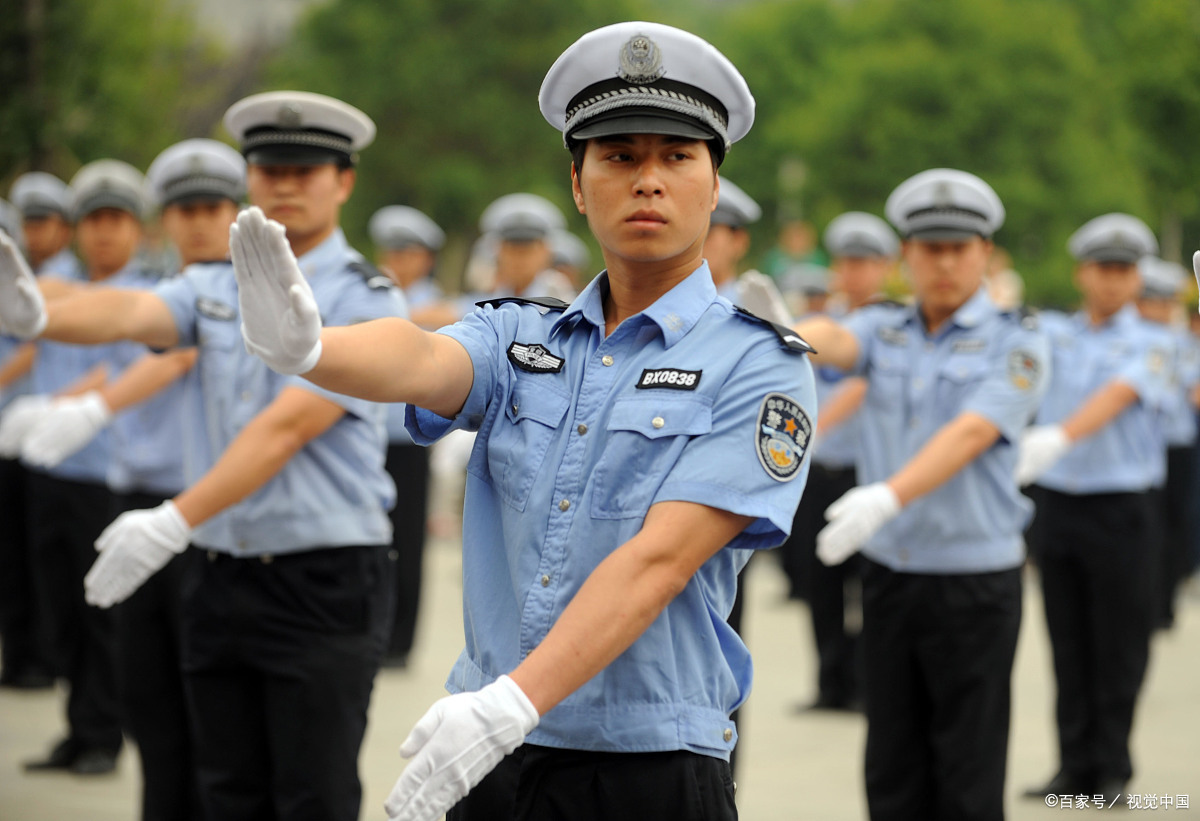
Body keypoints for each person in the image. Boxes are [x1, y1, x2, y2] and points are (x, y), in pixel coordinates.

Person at [223, 22, 816, 821]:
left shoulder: (761, 363)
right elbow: (425, 358)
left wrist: (514, 701)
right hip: (489, 746)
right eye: (619, 156)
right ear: (578, 184)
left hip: (644, 764)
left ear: (713, 186)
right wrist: (314, 348)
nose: (648, 180)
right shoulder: (520, 333)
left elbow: (661, 560)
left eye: (677, 157)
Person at [0, 90, 406, 821]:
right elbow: (129, 311)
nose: (285, 182)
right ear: (249, 178)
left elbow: (285, 428)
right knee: (226, 791)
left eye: (307, 167)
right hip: (219, 574)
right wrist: (42, 313)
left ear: (344, 180)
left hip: (321, 577)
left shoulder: (368, 298)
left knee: (311, 793)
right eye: (270, 166)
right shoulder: (214, 284)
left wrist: (174, 517)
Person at [794, 169, 1049, 821]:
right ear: (904, 254)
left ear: (985, 253)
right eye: (929, 246)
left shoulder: (1019, 339)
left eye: (959, 246)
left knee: (967, 768)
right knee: (892, 765)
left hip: (973, 580)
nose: (943, 261)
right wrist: (785, 329)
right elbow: (837, 343)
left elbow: (972, 431)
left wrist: (888, 493)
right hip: (891, 574)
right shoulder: (884, 327)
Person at [4, 159, 157, 776]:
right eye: (92, 220)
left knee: (103, 615)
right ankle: (77, 725)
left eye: (116, 220)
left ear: (137, 230)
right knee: (59, 606)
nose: (103, 233)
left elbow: (121, 372)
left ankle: (103, 733)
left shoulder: (149, 294)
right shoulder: (55, 281)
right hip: (50, 466)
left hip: (107, 473)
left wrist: (62, 404)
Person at [1018, 214, 1169, 804]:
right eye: (1102, 269)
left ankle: (1112, 767)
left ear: (1138, 278)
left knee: (1119, 644)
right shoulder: (1052, 332)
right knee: (1068, 641)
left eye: (1124, 271)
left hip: (1122, 509)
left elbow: (1119, 394)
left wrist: (1060, 436)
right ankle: (1071, 767)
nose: (1112, 281)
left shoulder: (1157, 340)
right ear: (1082, 273)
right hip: (1058, 505)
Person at [784, 211, 899, 713]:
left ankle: (868, 684)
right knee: (821, 585)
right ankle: (831, 684)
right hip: (818, 472)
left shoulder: (894, 328)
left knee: (869, 587)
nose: (854, 273)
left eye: (865, 263)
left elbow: (860, 385)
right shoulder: (824, 322)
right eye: (847, 262)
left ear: (885, 267)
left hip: (866, 472)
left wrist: (819, 424)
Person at [369, 204, 447, 667]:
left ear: (424, 258)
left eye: (407, 251)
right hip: (371, 441)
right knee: (371, 542)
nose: (396, 259)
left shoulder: (437, 304)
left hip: (411, 440)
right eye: (390, 250)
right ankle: (376, 630)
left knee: (409, 540)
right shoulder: (375, 292)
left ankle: (401, 641)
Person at [1135, 255, 1198, 630]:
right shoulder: (1127, 339)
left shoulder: (1181, 344)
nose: (1156, 308)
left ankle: (1164, 604)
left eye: (1163, 301)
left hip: (1177, 447)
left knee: (1175, 528)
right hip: (1142, 452)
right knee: (1145, 531)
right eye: (1148, 299)